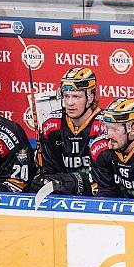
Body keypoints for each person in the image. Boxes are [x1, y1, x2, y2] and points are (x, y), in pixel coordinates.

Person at [31, 67, 104, 195]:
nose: (70, 103)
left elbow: (108, 179)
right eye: (66, 96)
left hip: (97, 193)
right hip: (63, 192)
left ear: (91, 97)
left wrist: (72, 182)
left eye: (76, 96)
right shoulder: (51, 125)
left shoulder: (106, 126)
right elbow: (50, 172)